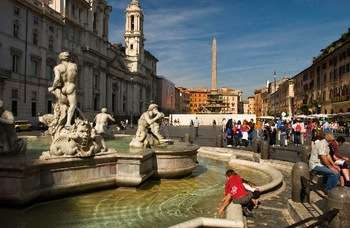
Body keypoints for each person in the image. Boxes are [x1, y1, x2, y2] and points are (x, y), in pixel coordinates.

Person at [48, 52, 78, 128]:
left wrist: (53, 88)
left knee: (62, 104)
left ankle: (60, 121)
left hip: (63, 88)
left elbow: (57, 79)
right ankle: (68, 123)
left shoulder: (57, 67)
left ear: (60, 58)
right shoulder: (74, 66)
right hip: (71, 86)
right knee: (72, 105)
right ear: (68, 58)